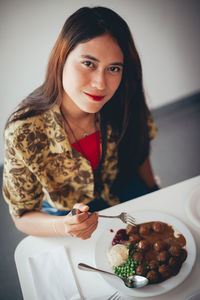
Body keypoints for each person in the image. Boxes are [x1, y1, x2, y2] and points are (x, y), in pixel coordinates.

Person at [2, 6, 159, 240]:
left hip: (121, 187)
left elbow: (140, 153)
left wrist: (155, 194)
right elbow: (22, 216)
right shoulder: (23, 130)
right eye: (89, 63)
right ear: (62, 58)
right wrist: (63, 226)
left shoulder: (126, 97)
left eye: (113, 68)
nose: (100, 84)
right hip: (64, 213)